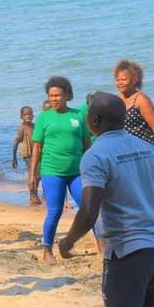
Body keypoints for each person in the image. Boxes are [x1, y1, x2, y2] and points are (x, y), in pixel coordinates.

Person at [58, 92, 154, 307]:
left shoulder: (95, 156)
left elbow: (89, 211)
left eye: (88, 113)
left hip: (126, 254)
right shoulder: (147, 148)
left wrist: (67, 242)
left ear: (95, 120)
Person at [30, 75, 91, 264]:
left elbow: (86, 144)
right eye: (51, 96)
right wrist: (33, 174)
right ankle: (47, 250)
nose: (54, 99)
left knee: (89, 209)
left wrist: (92, 167)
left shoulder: (77, 116)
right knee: (55, 211)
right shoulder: (43, 118)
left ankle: (101, 243)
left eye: (58, 95)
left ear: (67, 96)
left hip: (76, 172)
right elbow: (37, 147)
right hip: (52, 172)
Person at [114, 60, 154, 168]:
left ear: (134, 80)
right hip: (127, 153)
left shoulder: (141, 100)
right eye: (118, 80)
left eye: (124, 79)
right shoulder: (117, 100)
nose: (120, 83)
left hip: (146, 150)